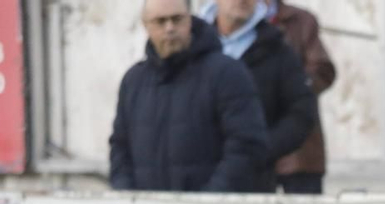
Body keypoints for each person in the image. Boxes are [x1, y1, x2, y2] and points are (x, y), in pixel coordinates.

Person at [109, 0, 267, 193]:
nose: (170, 28)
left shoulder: (227, 73)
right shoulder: (133, 81)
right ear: (146, 26)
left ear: (190, 20)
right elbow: (120, 147)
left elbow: (247, 145)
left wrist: (208, 201)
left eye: (177, 19)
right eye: (160, 21)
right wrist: (128, 197)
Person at [199, 0, 315, 193]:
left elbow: (301, 113)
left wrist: (259, 149)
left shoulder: (278, 50)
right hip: (194, 179)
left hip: (252, 184)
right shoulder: (192, 46)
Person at [266, 0, 336, 194]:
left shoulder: (302, 21)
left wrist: (289, 88)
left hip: (299, 153)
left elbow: (322, 70)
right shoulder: (227, 22)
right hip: (250, 155)